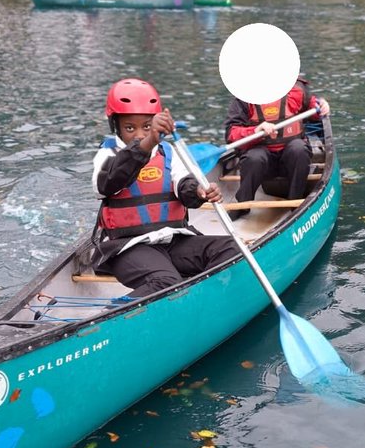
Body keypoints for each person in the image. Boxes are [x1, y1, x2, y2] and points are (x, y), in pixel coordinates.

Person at [87, 78, 238, 295]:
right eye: (130, 127)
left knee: (230, 249)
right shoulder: (107, 155)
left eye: (147, 127)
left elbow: (184, 184)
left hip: (173, 240)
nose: (139, 134)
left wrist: (199, 191)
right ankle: (111, 319)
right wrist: (148, 142)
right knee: (166, 282)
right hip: (127, 248)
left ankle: (208, 299)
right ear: (116, 126)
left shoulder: (168, 151)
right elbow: (108, 183)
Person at [223, 78, 330, 216]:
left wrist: (321, 106)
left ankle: (296, 203)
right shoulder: (243, 98)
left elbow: (314, 110)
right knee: (254, 157)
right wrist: (255, 130)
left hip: (291, 160)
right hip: (263, 163)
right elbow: (231, 134)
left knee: (299, 149)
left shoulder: (297, 89)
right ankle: (243, 205)